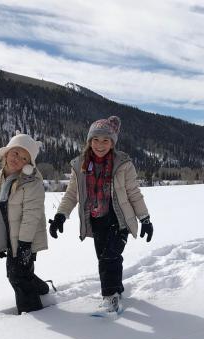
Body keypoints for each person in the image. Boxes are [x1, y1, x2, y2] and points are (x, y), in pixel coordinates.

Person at [48, 116, 153, 315]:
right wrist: (61, 215)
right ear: (89, 141)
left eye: (106, 140)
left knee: (109, 258)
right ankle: (117, 289)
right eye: (96, 139)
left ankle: (110, 299)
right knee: (106, 259)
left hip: (119, 220)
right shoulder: (80, 165)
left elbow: (133, 193)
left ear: (112, 143)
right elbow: (72, 193)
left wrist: (145, 219)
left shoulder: (123, 164)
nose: (100, 145)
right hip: (96, 220)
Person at [0, 131, 51, 314]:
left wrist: (24, 244)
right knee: (20, 273)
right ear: (6, 153)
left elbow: (31, 215)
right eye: (15, 153)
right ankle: (42, 289)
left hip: (25, 238)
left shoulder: (31, 183)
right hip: (10, 237)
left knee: (17, 275)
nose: (17, 159)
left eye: (23, 158)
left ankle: (31, 312)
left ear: (28, 164)